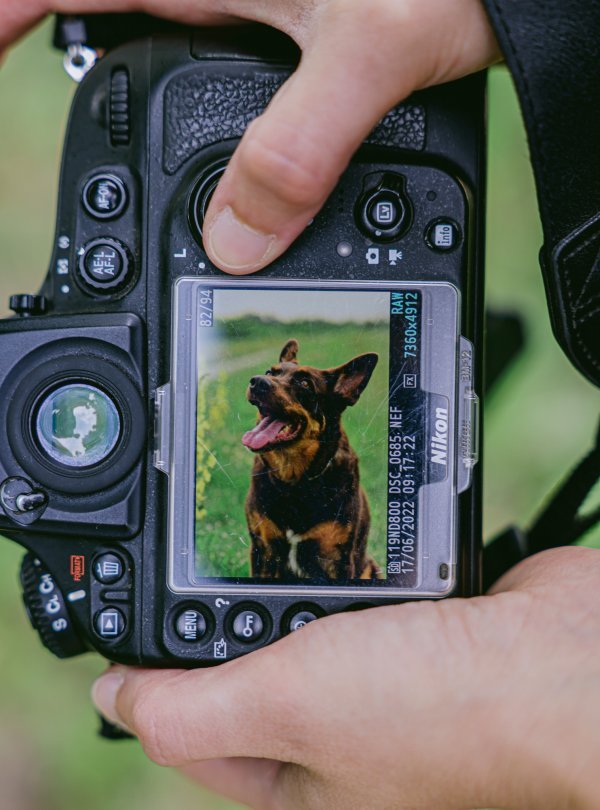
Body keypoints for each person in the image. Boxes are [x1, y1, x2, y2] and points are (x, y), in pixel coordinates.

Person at [2, 2, 599, 807]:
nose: (266, 387)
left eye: (290, 387)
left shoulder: (341, 476)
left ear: (340, 400)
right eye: (274, 382)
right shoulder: (263, 467)